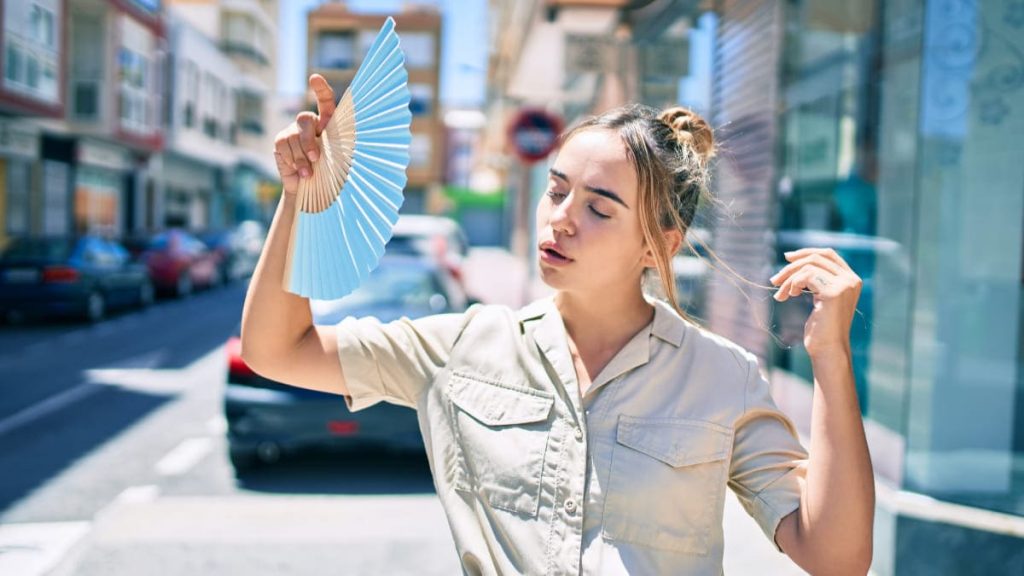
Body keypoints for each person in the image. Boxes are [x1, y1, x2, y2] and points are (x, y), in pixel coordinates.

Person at [241, 74, 875, 575]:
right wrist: (303, 197)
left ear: (660, 244)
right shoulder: (463, 345)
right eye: (557, 190)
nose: (562, 219)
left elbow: (836, 558)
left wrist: (831, 361)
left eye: (599, 208)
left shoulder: (722, 377)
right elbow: (277, 349)